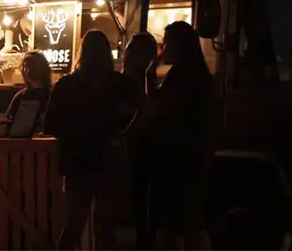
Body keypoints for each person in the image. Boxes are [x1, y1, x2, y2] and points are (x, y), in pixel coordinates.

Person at [126, 21, 215, 250]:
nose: (162, 48)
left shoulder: (182, 75)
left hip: (176, 160)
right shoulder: (200, 75)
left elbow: (156, 106)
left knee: (172, 226)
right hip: (194, 158)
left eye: (165, 43)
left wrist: (148, 76)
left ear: (177, 45)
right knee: (191, 224)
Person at [44, 30, 136, 250]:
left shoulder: (67, 84)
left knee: (73, 225)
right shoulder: (119, 84)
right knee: (105, 226)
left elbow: (50, 124)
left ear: (81, 52)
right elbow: (131, 117)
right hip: (109, 159)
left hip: (77, 160)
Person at [121, 32, 159, 248]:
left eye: (131, 49)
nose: (126, 52)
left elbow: (144, 110)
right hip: (138, 145)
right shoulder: (143, 78)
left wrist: (127, 134)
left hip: (137, 146)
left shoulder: (139, 80)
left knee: (140, 201)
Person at [5, 51, 53, 132]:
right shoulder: (20, 96)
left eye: (31, 66)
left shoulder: (53, 95)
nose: (27, 70)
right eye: (24, 67)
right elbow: (8, 122)